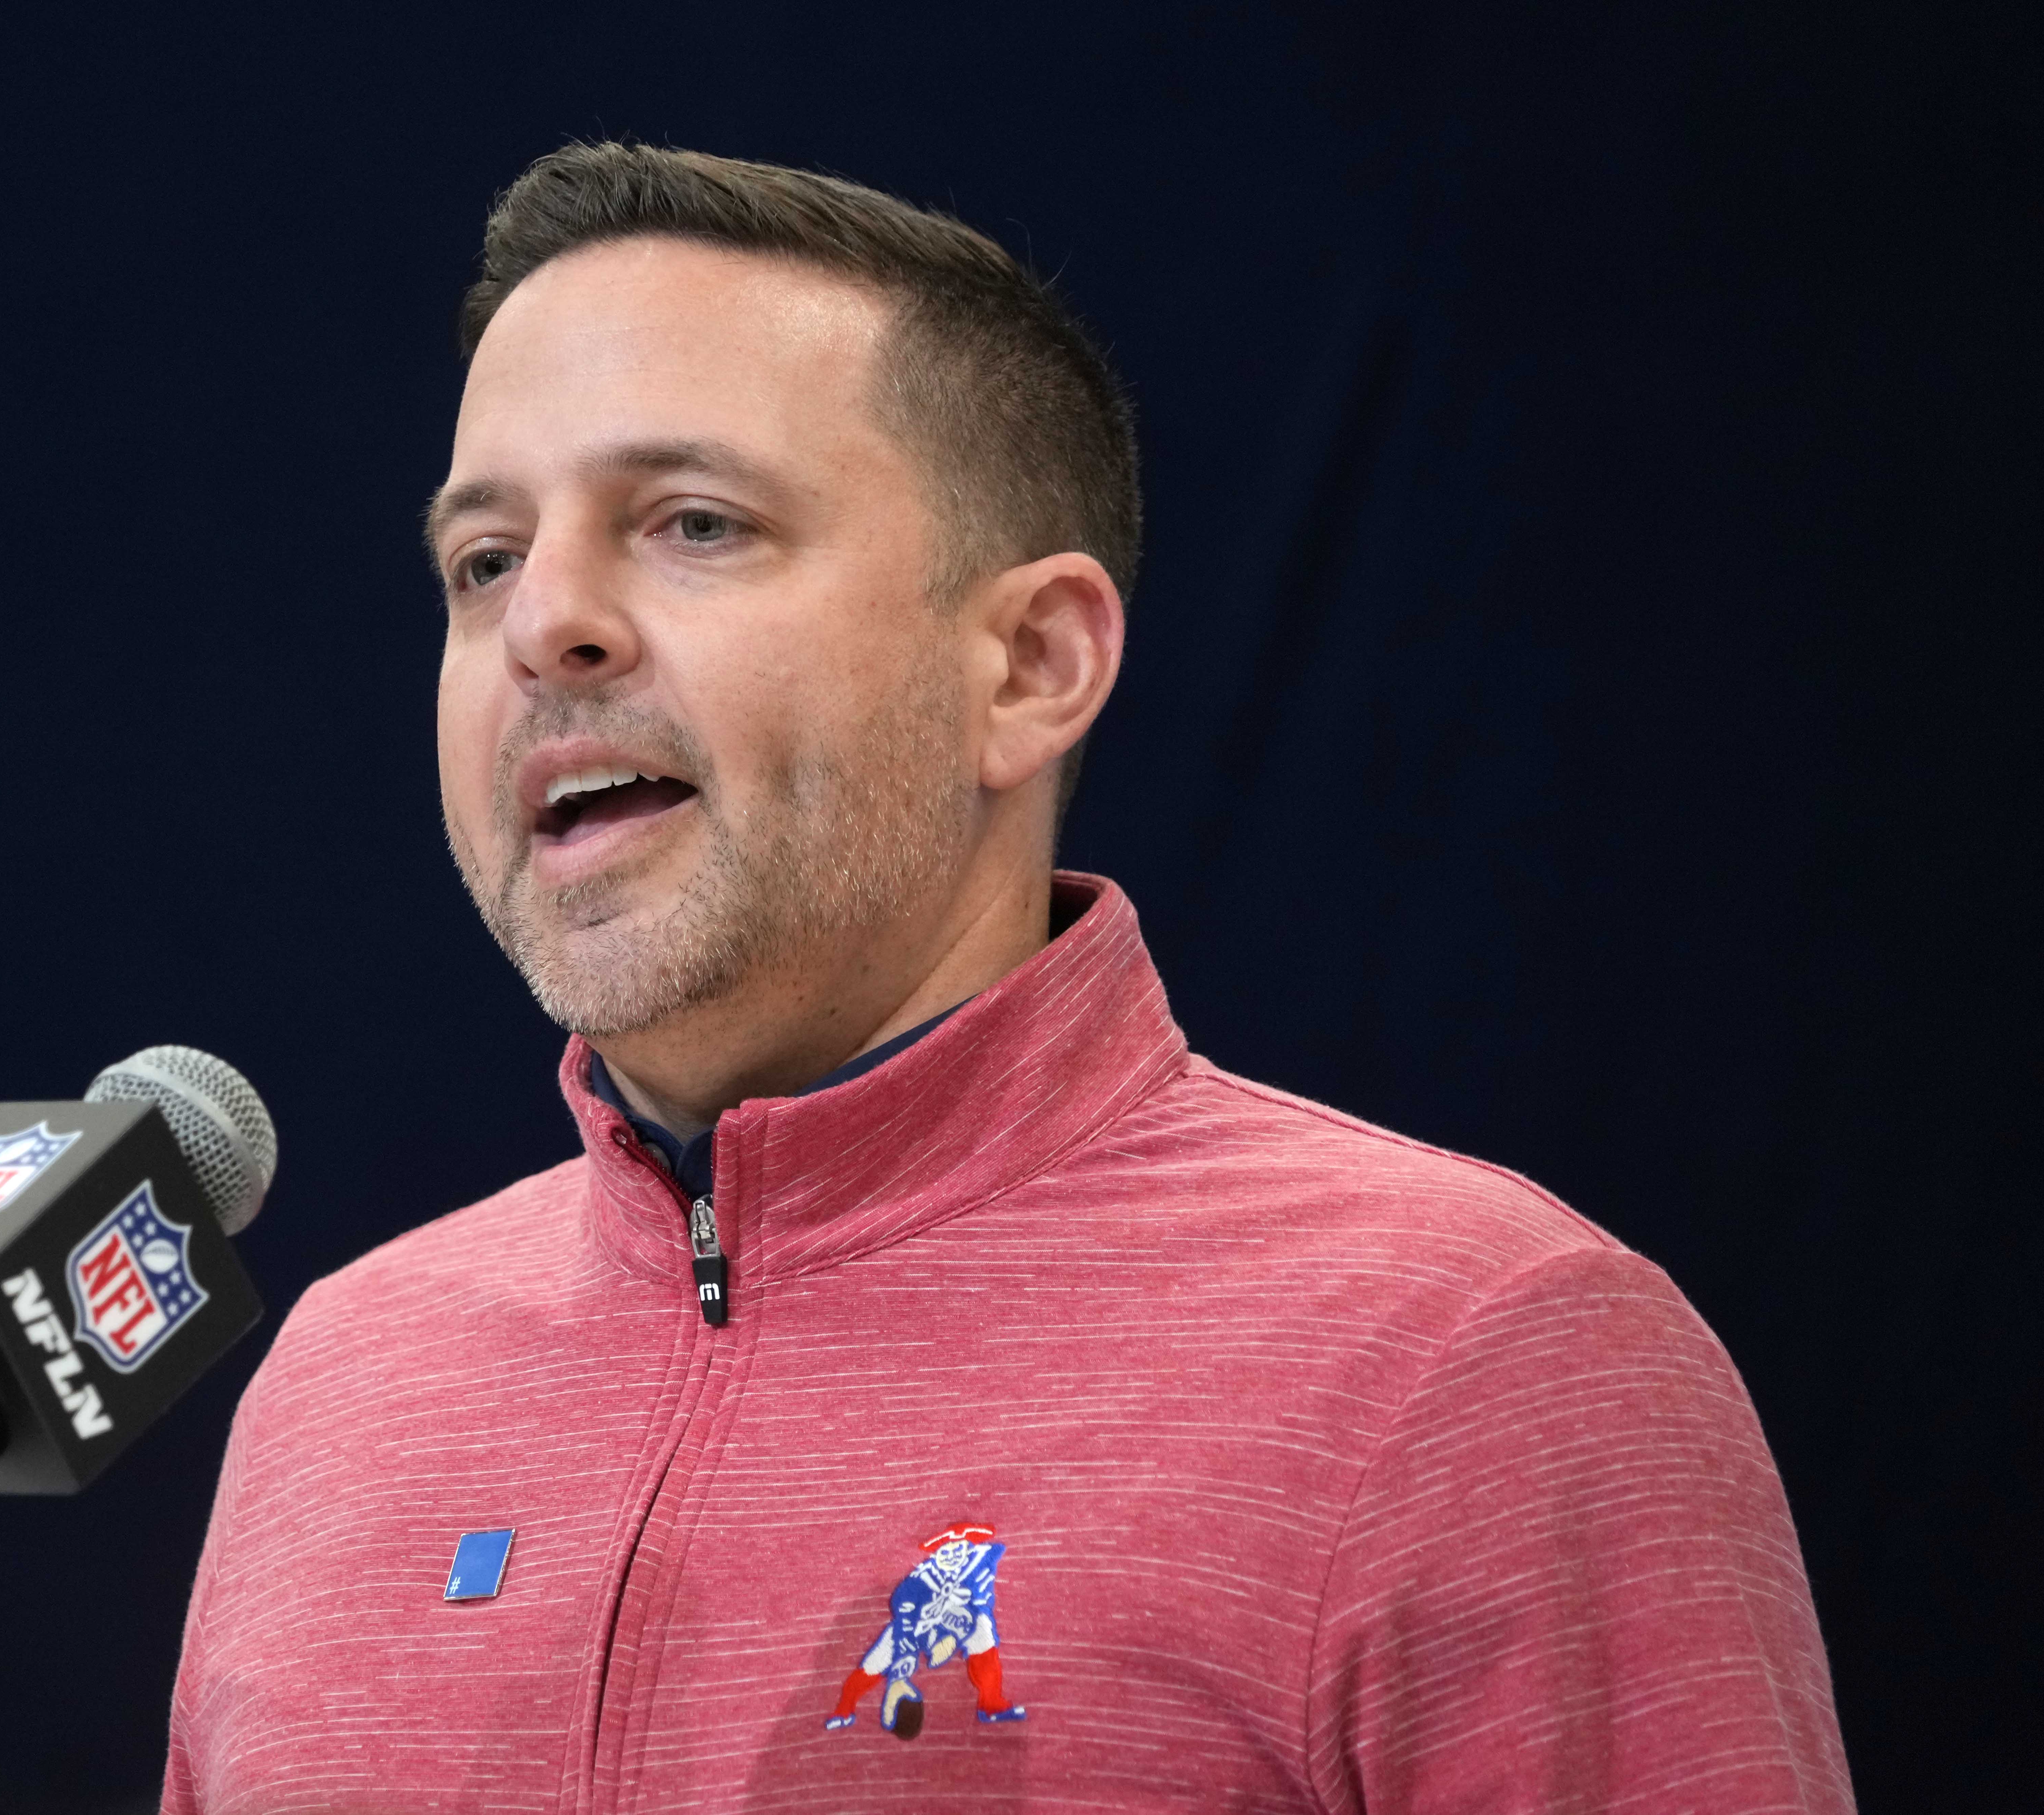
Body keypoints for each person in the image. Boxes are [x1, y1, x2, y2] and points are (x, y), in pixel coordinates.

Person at [162, 144, 1851, 1813]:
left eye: (695, 523)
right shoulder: (345, 1386)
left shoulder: (1475, 1356)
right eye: (485, 560)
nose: (546, 626)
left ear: (1033, 666)